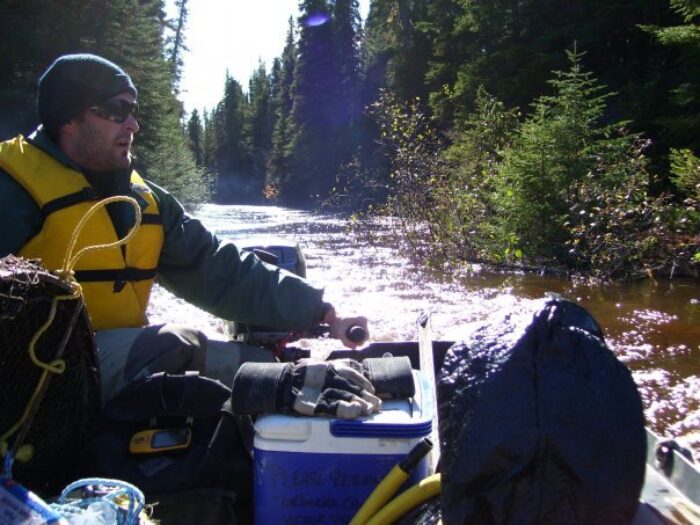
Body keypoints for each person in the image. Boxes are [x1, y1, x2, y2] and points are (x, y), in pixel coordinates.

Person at [0, 53, 369, 404]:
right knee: (174, 344)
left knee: (258, 363)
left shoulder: (147, 202)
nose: (132, 124)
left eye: (134, 110)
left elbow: (221, 269)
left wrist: (323, 311)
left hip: (108, 367)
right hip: (31, 374)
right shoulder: (11, 190)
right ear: (68, 118)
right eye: (115, 110)